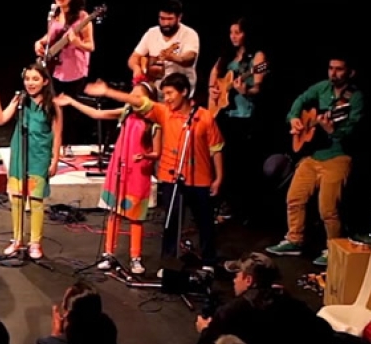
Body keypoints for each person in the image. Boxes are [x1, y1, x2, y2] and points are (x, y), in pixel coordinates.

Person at [86, 74, 224, 267]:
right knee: (171, 222)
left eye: (170, 93)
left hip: (200, 178)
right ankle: (168, 263)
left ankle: (209, 262)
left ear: (184, 92)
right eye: (164, 94)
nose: (166, 98)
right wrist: (108, 92)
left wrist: (218, 178)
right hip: (171, 176)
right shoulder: (164, 112)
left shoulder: (205, 117)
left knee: (205, 222)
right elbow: (138, 101)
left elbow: (216, 148)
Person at [266, 53, 364, 266]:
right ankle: (294, 239)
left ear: (350, 72)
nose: (334, 73)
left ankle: (333, 248)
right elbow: (301, 100)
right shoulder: (322, 88)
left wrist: (332, 131)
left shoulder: (355, 98)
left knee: (328, 208)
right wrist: (293, 118)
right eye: (331, 68)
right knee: (294, 197)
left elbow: (354, 130)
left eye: (339, 69)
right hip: (313, 155)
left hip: (338, 156)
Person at [57, 81, 162, 274]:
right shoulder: (125, 113)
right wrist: (72, 102)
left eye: (137, 96)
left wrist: (145, 156)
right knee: (113, 212)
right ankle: (108, 254)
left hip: (139, 172)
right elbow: (97, 114)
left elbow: (157, 153)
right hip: (119, 168)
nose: (133, 98)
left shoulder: (153, 124)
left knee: (135, 216)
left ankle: (135, 258)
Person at [0, 64, 62, 260]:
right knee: (18, 198)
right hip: (20, 154)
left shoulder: (52, 104)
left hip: (39, 156)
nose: (30, 83)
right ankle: (17, 238)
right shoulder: (21, 100)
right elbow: (1, 119)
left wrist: (55, 160)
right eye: (27, 78)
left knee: (36, 200)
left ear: (45, 81)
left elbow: (57, 133)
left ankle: (35, 242)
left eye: (35, 79)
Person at [207, 17, 269, 222]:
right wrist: (213, 90)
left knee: (242, 164)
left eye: (237, 32)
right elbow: (215, 72)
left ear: (246, 34)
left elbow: (258, 87)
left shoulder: (257, 57)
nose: (233, 36)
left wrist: (246, 90)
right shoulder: (227, 55)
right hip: (226, 114)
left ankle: (245, 209)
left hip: (245, 116)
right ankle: (225, 205)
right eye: (231, 32)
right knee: (223, 161)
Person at [33, 0, 95, 152]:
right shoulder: (54, 14)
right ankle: (53, 143)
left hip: (74, 69)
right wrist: (39, 42)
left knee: (68, 109)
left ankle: (67, 144)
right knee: (52, 105)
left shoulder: (83, 18)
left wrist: (77, 43)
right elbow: (50, 37)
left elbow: (91, 46)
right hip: (55, 68)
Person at [128, 0, 200, 94]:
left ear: (179, 17)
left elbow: (190, 58)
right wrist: (136, 68)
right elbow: (134, 57)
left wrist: (174, 58)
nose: (166, 23)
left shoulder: (189, 34)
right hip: (154, 86)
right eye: (162, 18)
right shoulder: (151, 33)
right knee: (136, 93)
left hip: (179, 88)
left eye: (170, 19)